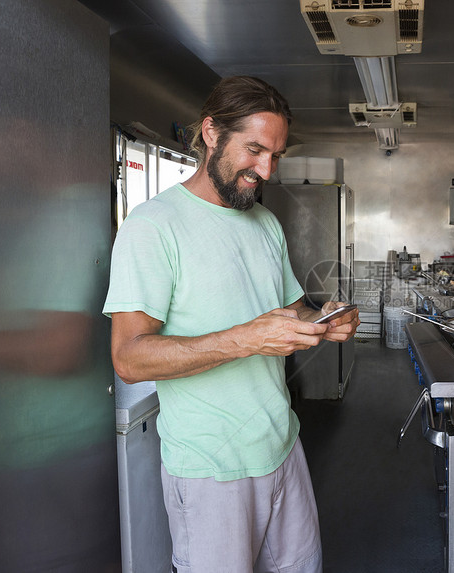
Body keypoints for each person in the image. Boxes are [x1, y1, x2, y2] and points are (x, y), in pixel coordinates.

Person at [103, 76, 359, 573]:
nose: (265, 169)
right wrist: (244, 339)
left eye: (276, 155)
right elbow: (129, 358)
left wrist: (324, 320)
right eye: (255, 149)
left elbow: (288, 311)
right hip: (211, 471)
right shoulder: (153, 226)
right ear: (212, 133)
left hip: (283, 447)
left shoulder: (263, 223)